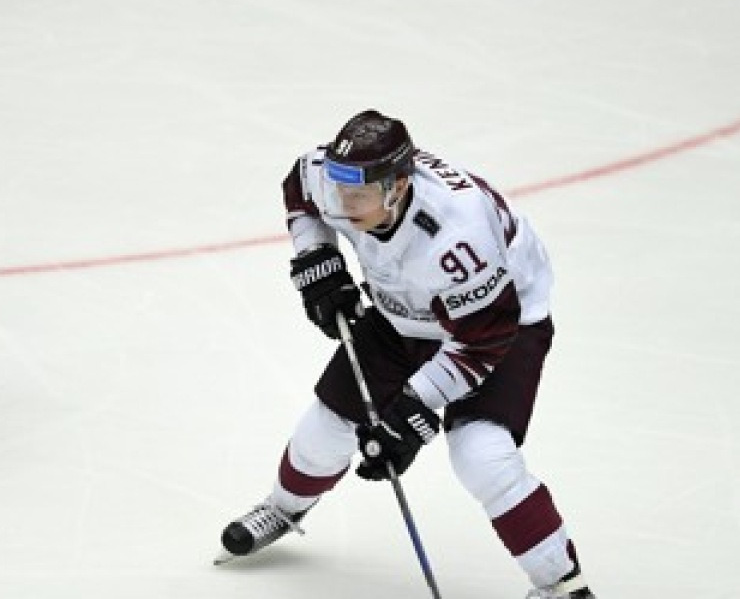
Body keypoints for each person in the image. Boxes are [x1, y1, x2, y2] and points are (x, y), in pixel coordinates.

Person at [217, 109, 595, 598]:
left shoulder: (458, 239)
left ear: (397, 187)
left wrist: (414, 405)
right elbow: (300, 185)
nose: (343, 202)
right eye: (339, 188)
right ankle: (283, 508)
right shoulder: (338, 181)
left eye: (359, 195)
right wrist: (317, 257)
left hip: (501, 320)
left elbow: (481, 341)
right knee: (324, 429)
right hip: (403, 311)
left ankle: (562, 585)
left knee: (481, 454)